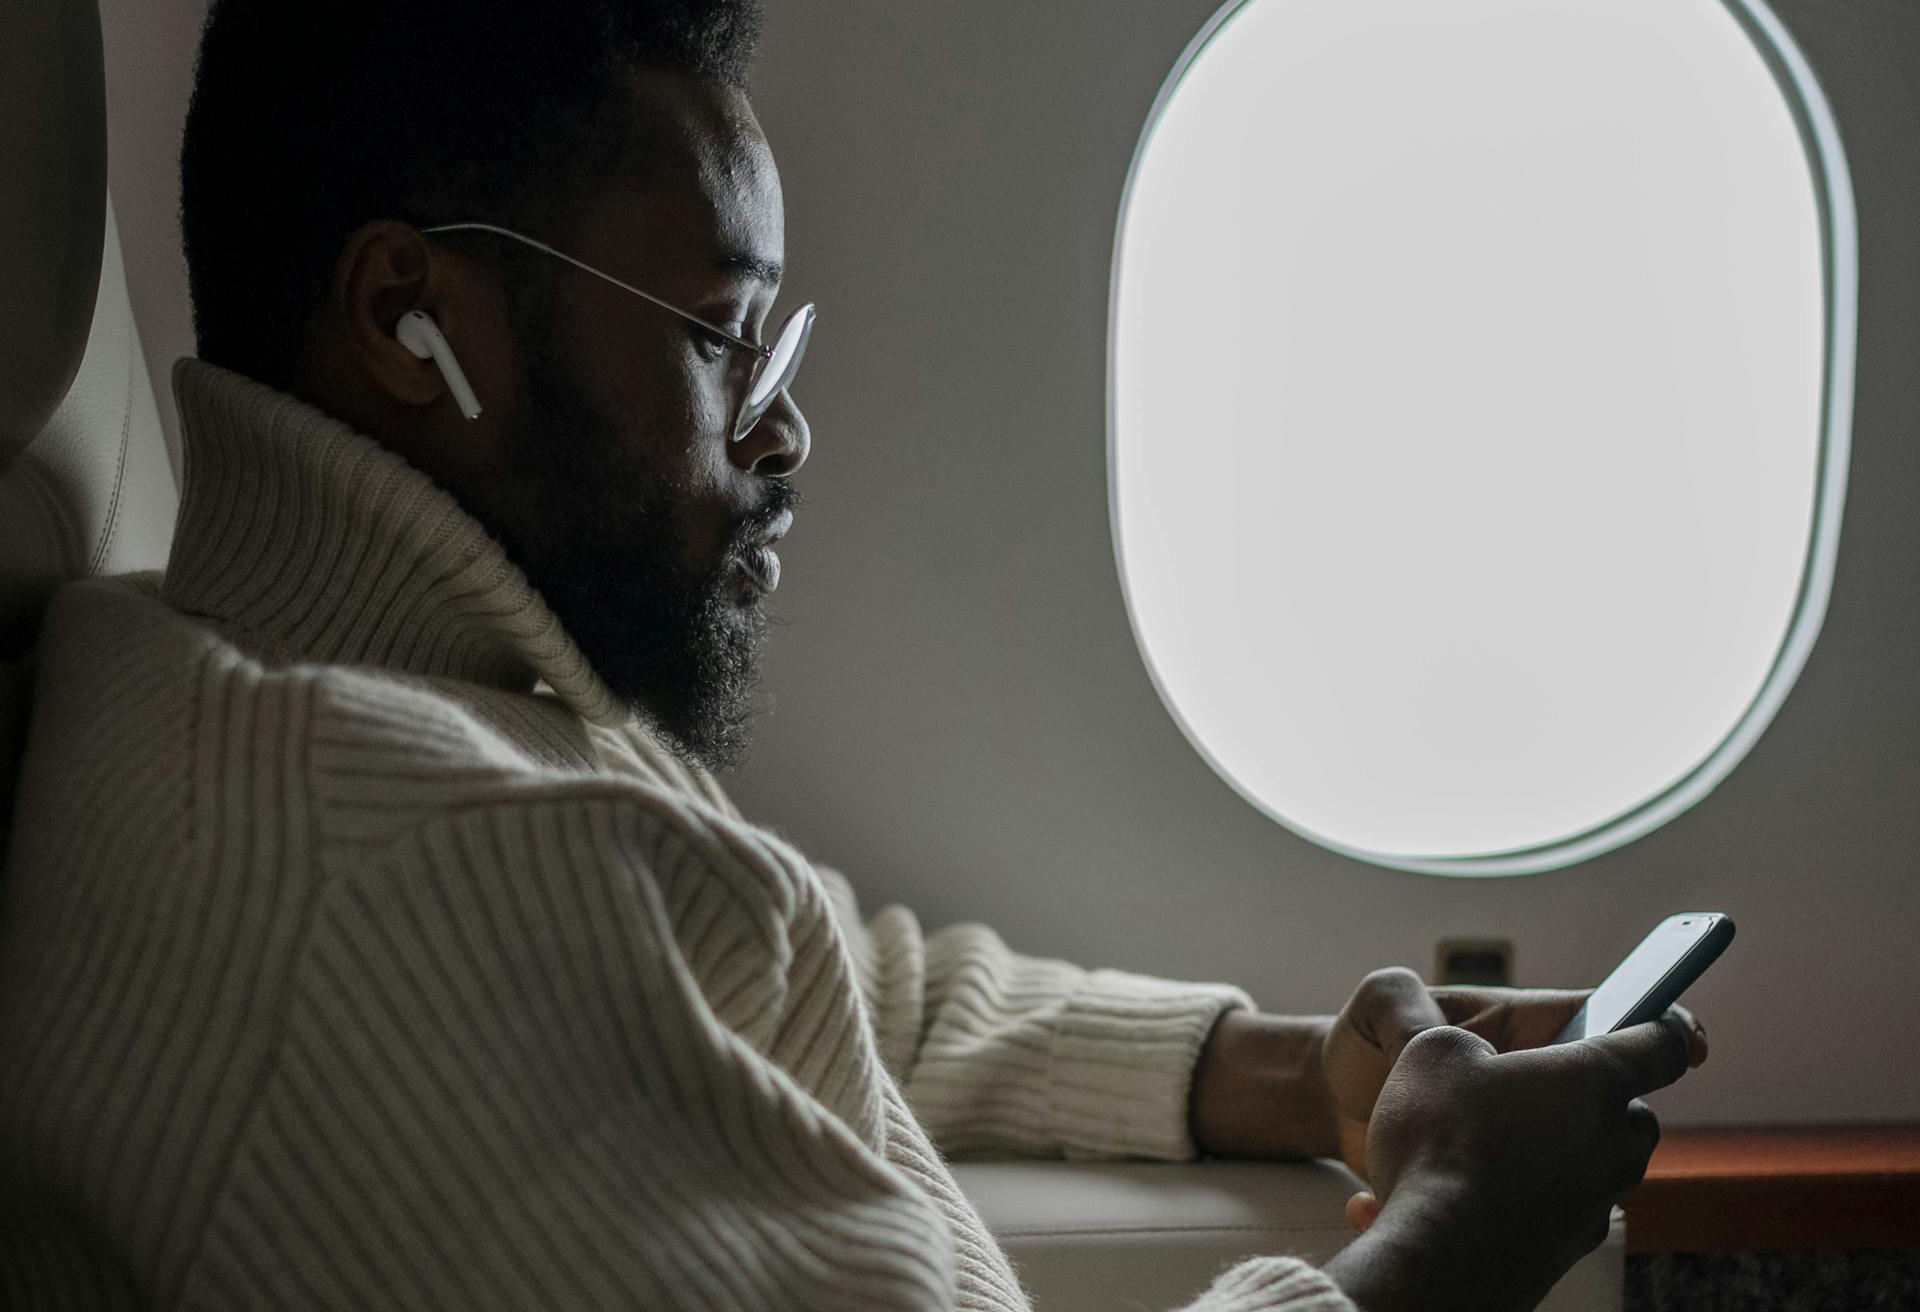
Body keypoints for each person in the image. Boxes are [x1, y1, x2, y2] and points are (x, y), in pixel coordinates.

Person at [0, 1, 1706, 1308]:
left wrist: (1279, 1070)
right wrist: (1452, 1238)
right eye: (724, 337)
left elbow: (810, 965)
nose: (787, 431)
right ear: (404, 319)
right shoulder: (417, 865)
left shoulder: (336, 685)